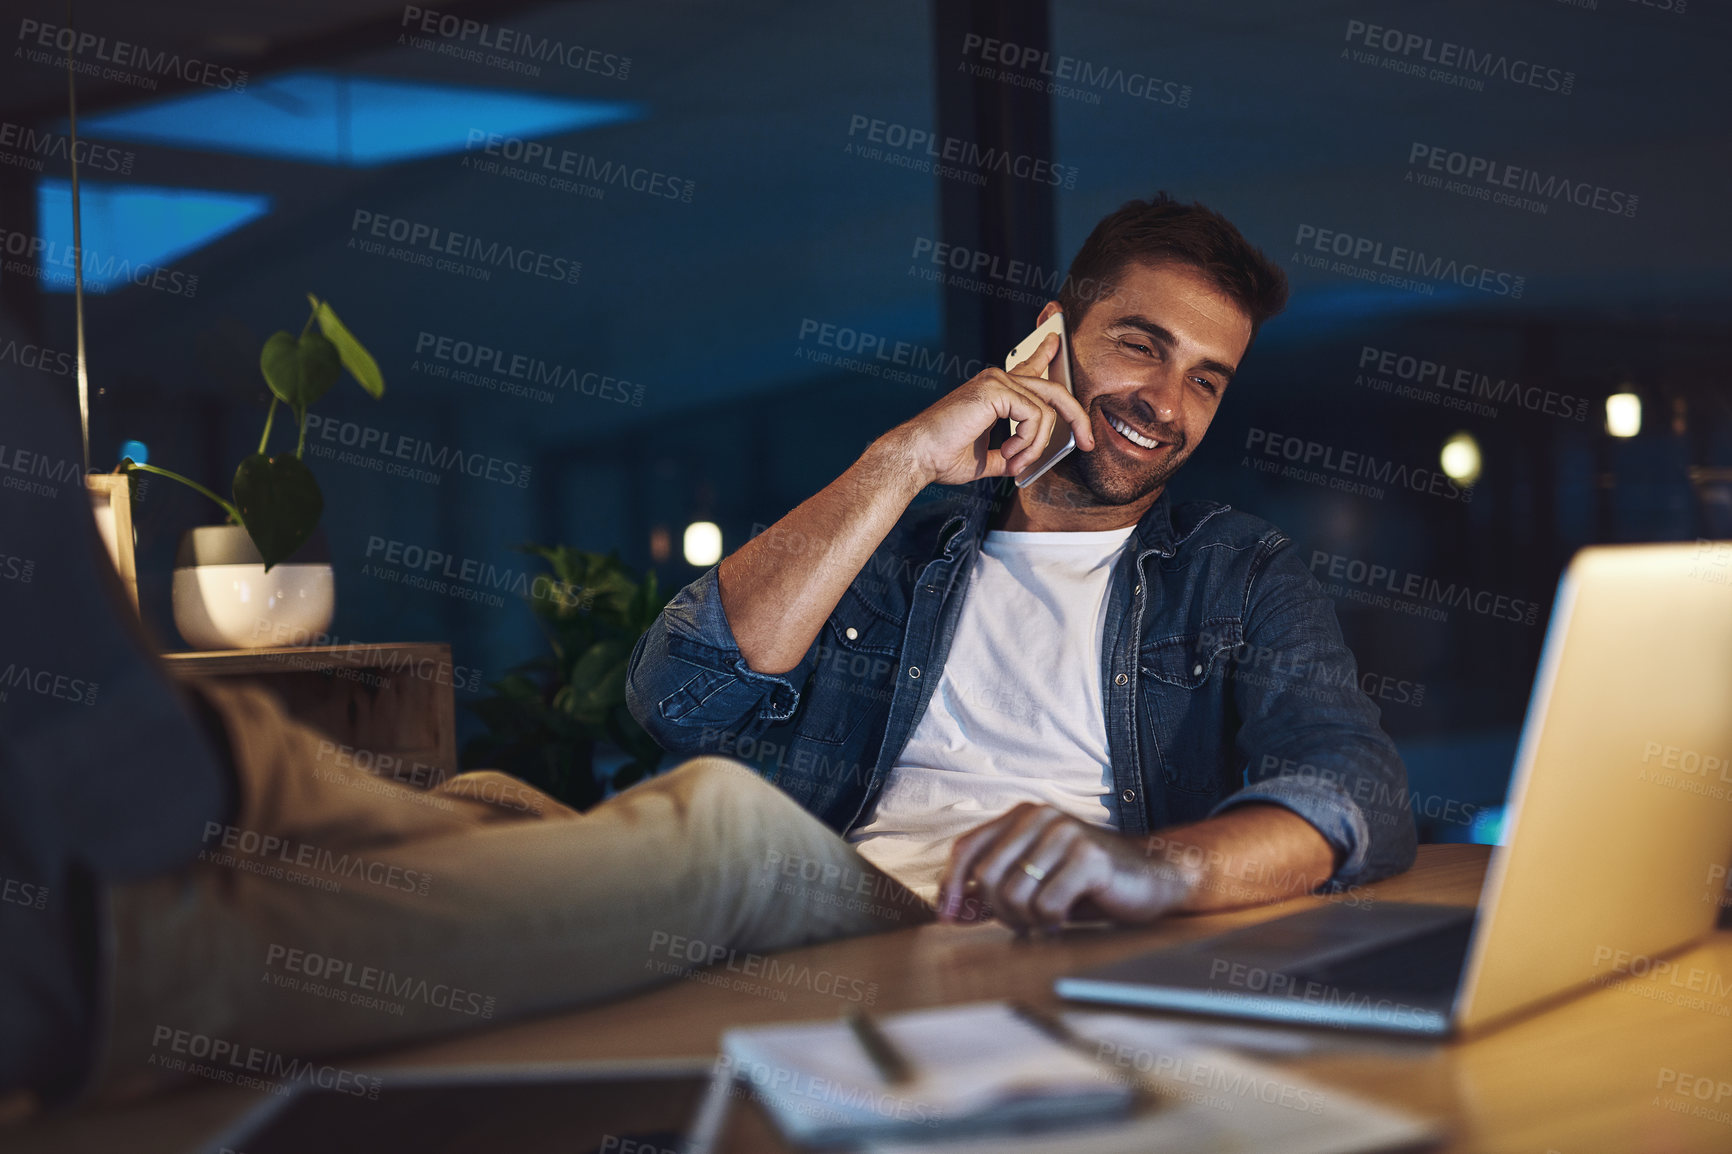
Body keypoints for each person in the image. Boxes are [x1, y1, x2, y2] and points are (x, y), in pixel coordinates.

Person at [625, 192, 1418, 932]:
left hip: (1051, 938)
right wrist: (904, 460)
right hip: (828, 923)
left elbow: (1358, 791)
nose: (1167, 404)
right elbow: (679, 699)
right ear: (1051, 337)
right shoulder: (893, 551)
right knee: (527, 821)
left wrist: (1148, 872)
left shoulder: (1236, 572)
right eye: (1141, 346)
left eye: (1204, 381)